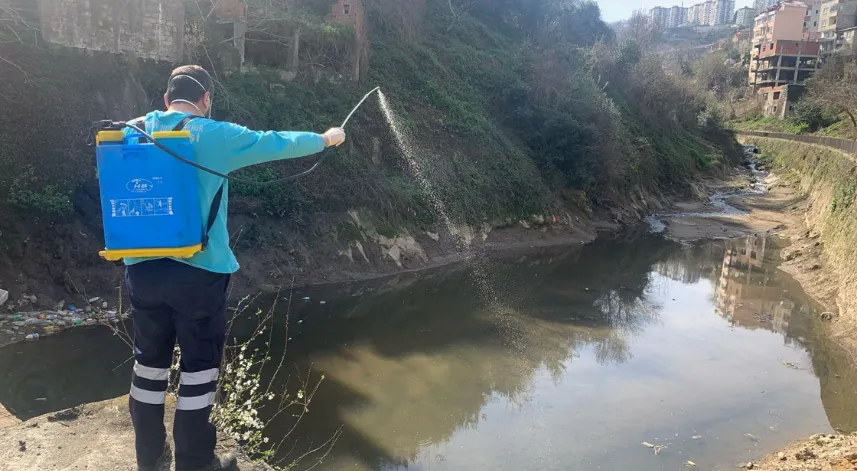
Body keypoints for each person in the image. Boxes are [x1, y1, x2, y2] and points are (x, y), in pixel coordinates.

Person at [123, 65, 346, 471]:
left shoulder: (131, 129)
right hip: (199, 271)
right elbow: (273, 143)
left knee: (148, 364)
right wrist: (325, 139)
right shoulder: (212, 134)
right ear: (206, 98)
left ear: (166, 99)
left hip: (141, 269)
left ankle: (150, 458)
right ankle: (195, 462)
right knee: (198, 370)